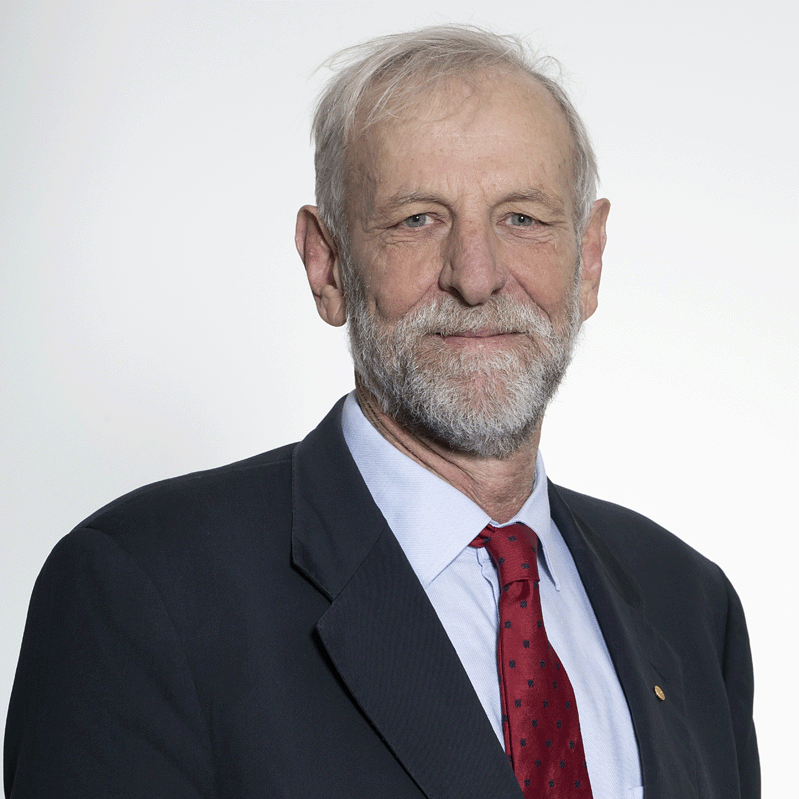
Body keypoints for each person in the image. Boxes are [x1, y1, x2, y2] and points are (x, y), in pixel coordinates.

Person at [4, 25, 758, 799]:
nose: (476, 276)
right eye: (417, 219)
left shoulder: (690, 607)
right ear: (326, 263)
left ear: (588, 259)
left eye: (523, 218)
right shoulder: (141, 592)